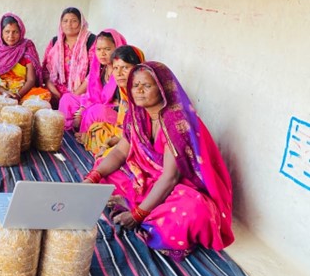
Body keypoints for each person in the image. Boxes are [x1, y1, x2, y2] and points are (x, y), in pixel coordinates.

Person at [83, 61, 234, 260]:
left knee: (194, 212)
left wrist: (137, 215)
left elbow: (170, 178)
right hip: (147, 178)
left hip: (178, 186)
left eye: (146, 86)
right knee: (104, 166)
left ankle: (136, 206)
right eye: (135, 85)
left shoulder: (175, 122)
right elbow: (120, 152)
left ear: (162, 88)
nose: (139, 91)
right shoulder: (136, 115)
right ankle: (134, 202)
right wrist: (93, 178)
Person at [58, 29, 128, 135]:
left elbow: (125, 105)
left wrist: (87, 109)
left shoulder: (123, 70)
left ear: (117, 48)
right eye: (99, 49)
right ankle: (66, 133)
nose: (102, 54)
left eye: (107, 49)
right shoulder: (100, 69)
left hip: (116, 114)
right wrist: (82, 109)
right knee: (67, 99)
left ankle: (84, 136)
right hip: (97, 104)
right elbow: (91, 95)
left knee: (95, 111)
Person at [0, 13, 50, 102]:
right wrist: (4, 92)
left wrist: (18, 95)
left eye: (15, 32)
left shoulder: (27, 47)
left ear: (21, 32)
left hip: (22, 92)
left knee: (44, 94)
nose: (11, 36)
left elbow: (31, 80)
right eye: (7, 32)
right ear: (1, 32)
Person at [42, 7, 96, 105]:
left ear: (81, 23)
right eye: (65, 21)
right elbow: (45, 71)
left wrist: (73, 96)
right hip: (55, 92)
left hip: (82, 92)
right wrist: (54, 91)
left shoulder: (91, 41)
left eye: (74, 21)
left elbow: (94, 72)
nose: (69, 25)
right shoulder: (55, 42)